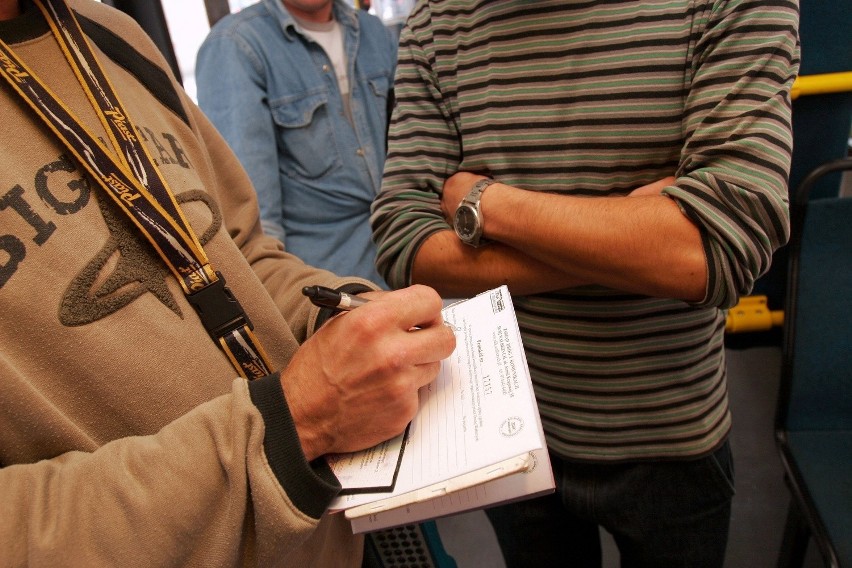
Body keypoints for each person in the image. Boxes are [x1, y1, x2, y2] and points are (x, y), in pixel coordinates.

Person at [0, 0, 455, 566]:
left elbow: (238, 251)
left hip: (331, 524)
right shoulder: (236, 47)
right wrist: (295, 423)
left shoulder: (109, 34)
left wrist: (339, 312)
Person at [371, 1, 800, 566]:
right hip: (504, 431)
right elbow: (404, 243)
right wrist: (631, 236)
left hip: (669, 433)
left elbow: (720, 247)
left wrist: (486, 204)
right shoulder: (437, 20)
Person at [195, 0, 397, 287]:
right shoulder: (236, 45)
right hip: (323, 282)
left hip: (403, 261)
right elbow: (255, 222)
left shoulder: (372, 31)